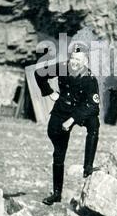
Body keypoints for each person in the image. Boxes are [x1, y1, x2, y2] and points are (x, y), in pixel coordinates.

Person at [34, 43, 100, 205]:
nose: (74, 62)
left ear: (85, 62)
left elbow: (92, 105)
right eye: (72, 58)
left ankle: (88, 167)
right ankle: (57, 193)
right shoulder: (63, 67)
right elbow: (39, 74)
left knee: (94, 124)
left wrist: (71, 120)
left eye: (78, 59)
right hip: (63, 107)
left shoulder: (90, 80)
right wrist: (49, 92)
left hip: (81, 110)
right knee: (58, 148)